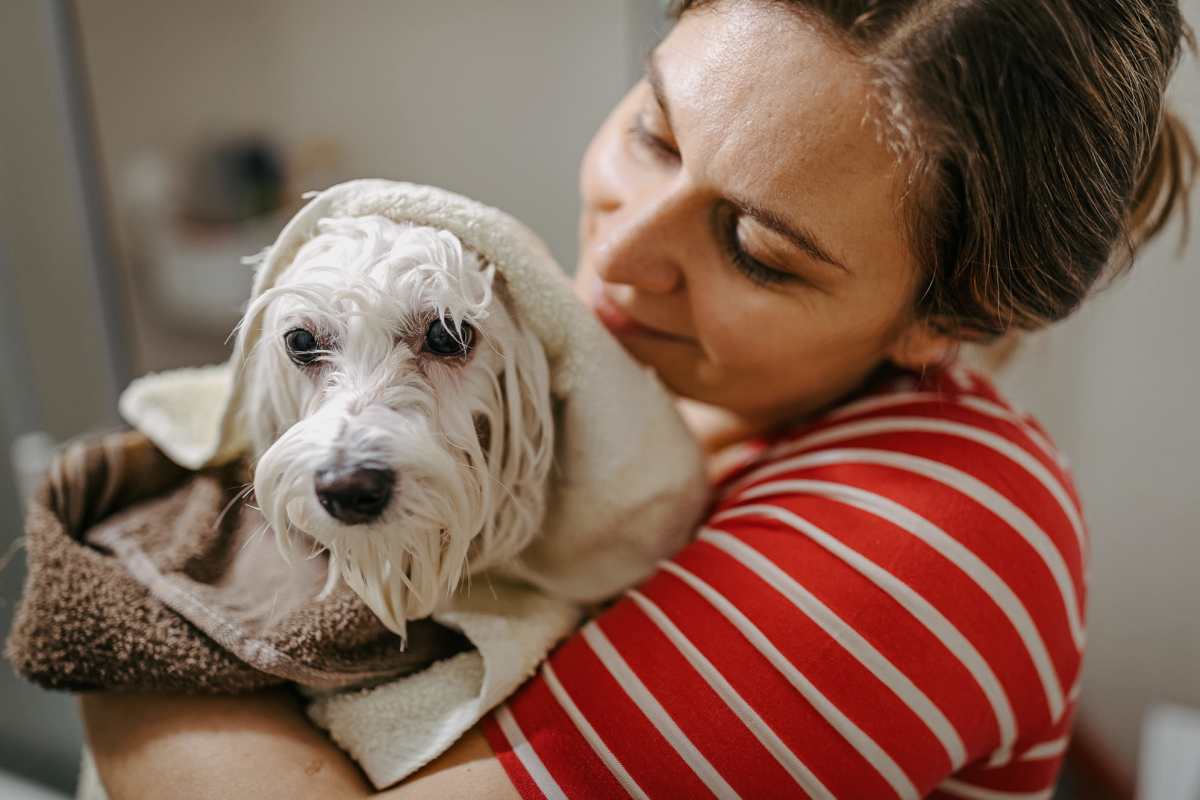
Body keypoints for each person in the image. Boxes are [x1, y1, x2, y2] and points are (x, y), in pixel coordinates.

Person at [80, 0, 1196, 797]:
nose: (621, 254)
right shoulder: (634, 401)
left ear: (947, 319)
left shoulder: (953, 531)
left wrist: (111, 589)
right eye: (655, 130)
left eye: (758, 247)